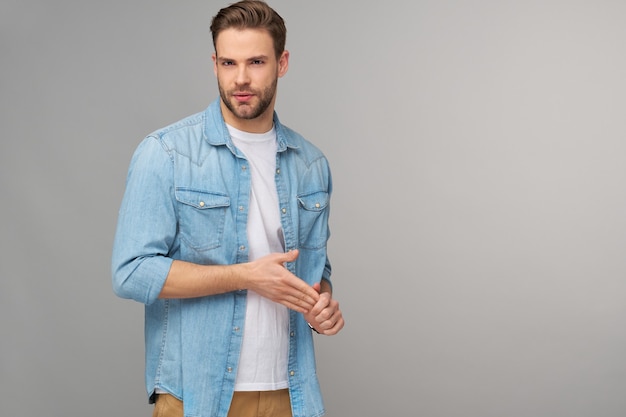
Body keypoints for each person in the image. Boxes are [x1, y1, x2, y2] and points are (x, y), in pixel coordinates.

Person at [111, 1, 344, 416]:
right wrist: (244, 277)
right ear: (214, 63)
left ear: (282, 62)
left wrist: (321, 306)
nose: (240, 78)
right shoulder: (166, 153)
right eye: (228, 62)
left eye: (256, 62)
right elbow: (131, 271)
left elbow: (315, 273)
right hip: (198, 394)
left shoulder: (311, 165)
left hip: (290, 394)